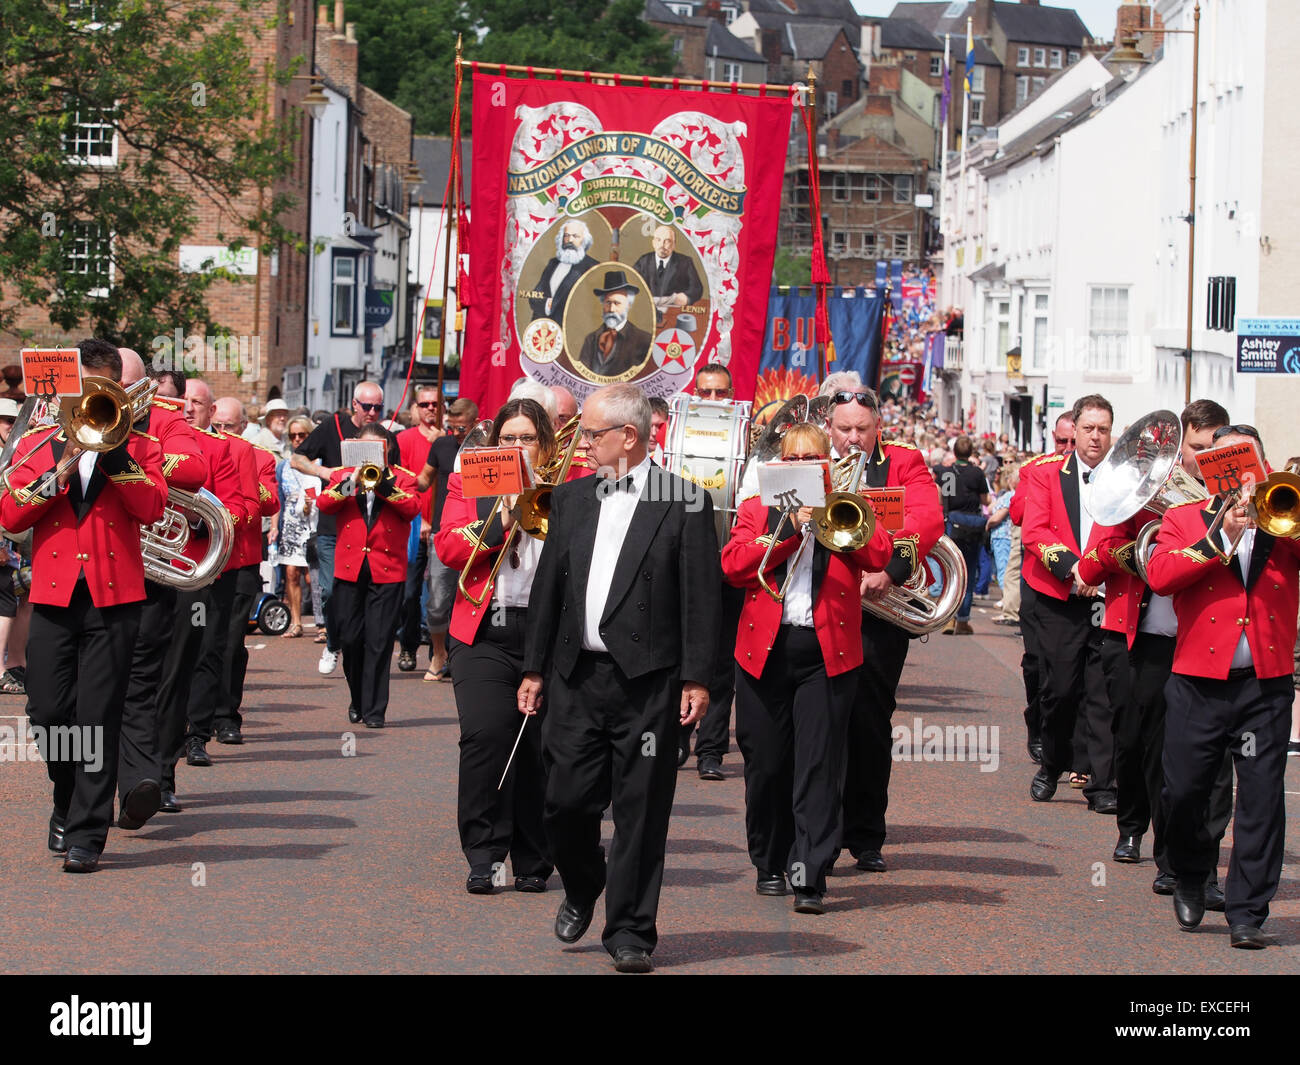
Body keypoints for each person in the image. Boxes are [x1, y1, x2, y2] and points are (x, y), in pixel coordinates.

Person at [517, 383, 721, 974]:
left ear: (627, 437)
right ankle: (583, 884)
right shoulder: (573, 498)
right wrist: (533, 668)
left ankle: (631, 930)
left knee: (642, 809)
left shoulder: (684, 501)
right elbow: (548, 591)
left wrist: (697, 679)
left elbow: (701, 600)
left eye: (591, 433)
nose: (581, 443)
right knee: (563, 803)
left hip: (648, 684)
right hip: (576, 679)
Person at [1, 339, 167, 872]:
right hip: (53, 594)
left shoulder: (139, 447)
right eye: (83, 388)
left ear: (117, 390)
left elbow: (152, 506)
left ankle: (87, 835)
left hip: (113, 600)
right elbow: (10, 515)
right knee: (48, 714)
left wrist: (112, 451)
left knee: (96, 718)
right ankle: (65, 799)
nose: (90, 398)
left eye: (102, 390)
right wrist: (63, 469)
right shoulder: (39, 444)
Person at [723, 422, 894, 913]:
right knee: (768, 763)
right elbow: (734, 565)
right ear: (779, 464)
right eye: (792, 460)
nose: (801, 468)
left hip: (827, 653)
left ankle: (810, 874)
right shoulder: (758, 509)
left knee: (819, 765)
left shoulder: (847, 504)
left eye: (810, 460)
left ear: (827, 463)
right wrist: (788, 533)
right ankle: (769, 861)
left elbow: (880, 553)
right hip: (764, 653)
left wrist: (832, 514)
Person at [1147, 423, 1299, 948]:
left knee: (1260, 799)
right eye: (1226, 461)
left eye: (1248, 459)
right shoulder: (1184, 518)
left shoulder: (1286, 516)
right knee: (1185, 791)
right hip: (1197, 684)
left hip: (1265, 684)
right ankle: (1191, 873)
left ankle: (1248, 912)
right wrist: (1221, 538)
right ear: (1213, 470)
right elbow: (1162, 576)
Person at [1079, 399, 1233, 906]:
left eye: (1213, 449)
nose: (1203, 457)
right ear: (1180, 444)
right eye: (1196, 447)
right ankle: (1130, 826)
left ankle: (1173, 861)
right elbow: (1099, 552)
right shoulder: (1145, 495)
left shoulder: (1230, 500)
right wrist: (1136, 553)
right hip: (1141, 635)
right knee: (1136, 739)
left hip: (1196, 642)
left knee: (1181, 757)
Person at [434, 398, 556, 895]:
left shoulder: (565, 483)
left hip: (545, 630)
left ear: (545, 443)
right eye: (507, 439)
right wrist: (503, 516)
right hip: (483, 628)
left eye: (527, 438)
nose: (516, 447)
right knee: (486, 737)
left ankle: (534, 857)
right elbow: (447, 545)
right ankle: (483, 854)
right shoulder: (469, 479)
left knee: (536, 748)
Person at [831, 381, 944, 874]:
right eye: (843, 429)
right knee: (819, 724)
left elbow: (926, 520)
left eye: (862, 429)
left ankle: (865, 835)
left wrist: (890, 571)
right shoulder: (810, 455)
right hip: (822, 607)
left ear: (879, 426)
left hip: (877, 613)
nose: (853, 439)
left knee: (869, 723)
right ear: (828, 427)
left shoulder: (903, 460)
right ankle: (817, 834)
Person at [114, 348, 208, 832]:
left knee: (143, 682)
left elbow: (192, 470)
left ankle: (144, 781)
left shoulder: (164, 418)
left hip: (148, 574)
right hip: (87, 569)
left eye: (126, 383)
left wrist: (122, 454)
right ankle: (86, 789)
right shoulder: (68, 408)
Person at [1023, 395, 1116, 811]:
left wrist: (1096, 574)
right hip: (1059, 595)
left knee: (1103, 693)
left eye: (1103, 429)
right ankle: (1052, 764)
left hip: (1106, 597)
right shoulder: (1046, 474)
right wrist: (1073, 569)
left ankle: (1103, 784)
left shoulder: (1123, 477)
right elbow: (1035, 531)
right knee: (1059, 691)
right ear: (1073, 431)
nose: (1096, 437)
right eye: (1089, 428)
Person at [317, 424, 421, 727]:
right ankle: (357, 699)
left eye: (375, 450)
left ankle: (375, 711)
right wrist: (352, 481)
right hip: (350, 568)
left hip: (386, 569)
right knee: (350, 638)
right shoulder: (342, 476)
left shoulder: (403, 478)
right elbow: (325, 504)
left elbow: (412, 508)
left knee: (379, 640)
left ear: (386, 450)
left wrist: (383, 485)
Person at [292, 381, 390, 675]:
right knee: (332, 591)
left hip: (369, 525)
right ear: (354, 405)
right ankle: (333, 643)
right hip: (334, 524)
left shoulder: (383, 434)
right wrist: (323, 471)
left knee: (364, 594)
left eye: (377, 407)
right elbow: (296, 457)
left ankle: (359, 650)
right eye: (367, 406)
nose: (372, 412)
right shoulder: (332, 425)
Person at [679, 362, 744, 781]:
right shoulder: (675, 436)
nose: (714, 401)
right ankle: (674, 740)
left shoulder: (746, 437)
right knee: (678, 656)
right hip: (684, 563)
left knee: (723, 662)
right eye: (707, 392)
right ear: (694, 394)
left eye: (722, 393)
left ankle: (712, 750)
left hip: (730, 565)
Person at [415, 397, 479, 681]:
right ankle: (438, 652)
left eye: (462, 429)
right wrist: (392, 475)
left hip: (478, 533)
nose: (456, 434)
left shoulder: (486, 448)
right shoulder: (441, 445)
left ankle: (464, 658)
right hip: (444, 533)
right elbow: (422, 481)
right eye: (452, 428)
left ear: (475, 424)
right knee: (438, 600)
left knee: (471, 600)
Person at [395, 385, 443, 672]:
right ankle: (407, 646)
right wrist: (418, 519)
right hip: (414, 525)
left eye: (435, 404)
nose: (430, 409)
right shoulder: (404, 439)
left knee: (439, 594)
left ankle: (439, 652)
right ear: (416, 407)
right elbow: (403, 481)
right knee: (410, 593)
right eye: (424, 404)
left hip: (441, 525)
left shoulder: (449, 440)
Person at [938, 435, 991, 635]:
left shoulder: (946, 472)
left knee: (949, 570)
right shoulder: (977, 473)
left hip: (952, 522)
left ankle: (947, 618)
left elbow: (940, 495)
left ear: (954, 453)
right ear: (970, 452)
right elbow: (985, 500)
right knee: (967, 572)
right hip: (971, 524)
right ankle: (962, 620)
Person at [274, 417, 320, 638]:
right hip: (292, 523)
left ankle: (323, 623)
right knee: (291, 574)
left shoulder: (319, 464)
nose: (297, 440)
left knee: (314, 577)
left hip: (314, 522)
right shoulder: (284, 465)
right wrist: (276, 526)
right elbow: (278, 501)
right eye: (293, 436)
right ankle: (296, 621)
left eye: (302, 435)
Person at [574, 271, 652, 379]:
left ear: (628, 305)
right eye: (608, 303)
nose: (611, 309)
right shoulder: (591, 339)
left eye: (617, 303)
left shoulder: (644, 340)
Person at [527, 219, 599, 322]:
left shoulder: (592, 267)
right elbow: (535, 296)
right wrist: (547, 305)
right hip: (542, 328)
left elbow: (589, 307)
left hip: (571, 331)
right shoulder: (553, 263)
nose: (570, 240)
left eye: (575, 236)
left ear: (584, 241)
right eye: (566, 235)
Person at [631, 224, 703, 310]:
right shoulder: (643, 261)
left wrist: (687, 298)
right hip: (647, 311)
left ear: (674, 245)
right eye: (658, 240)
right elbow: (631, 284)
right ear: (653, 243)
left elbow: (697, 288)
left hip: (673, 312)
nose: (662, 245)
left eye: (667, 241)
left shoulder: (685, 262)